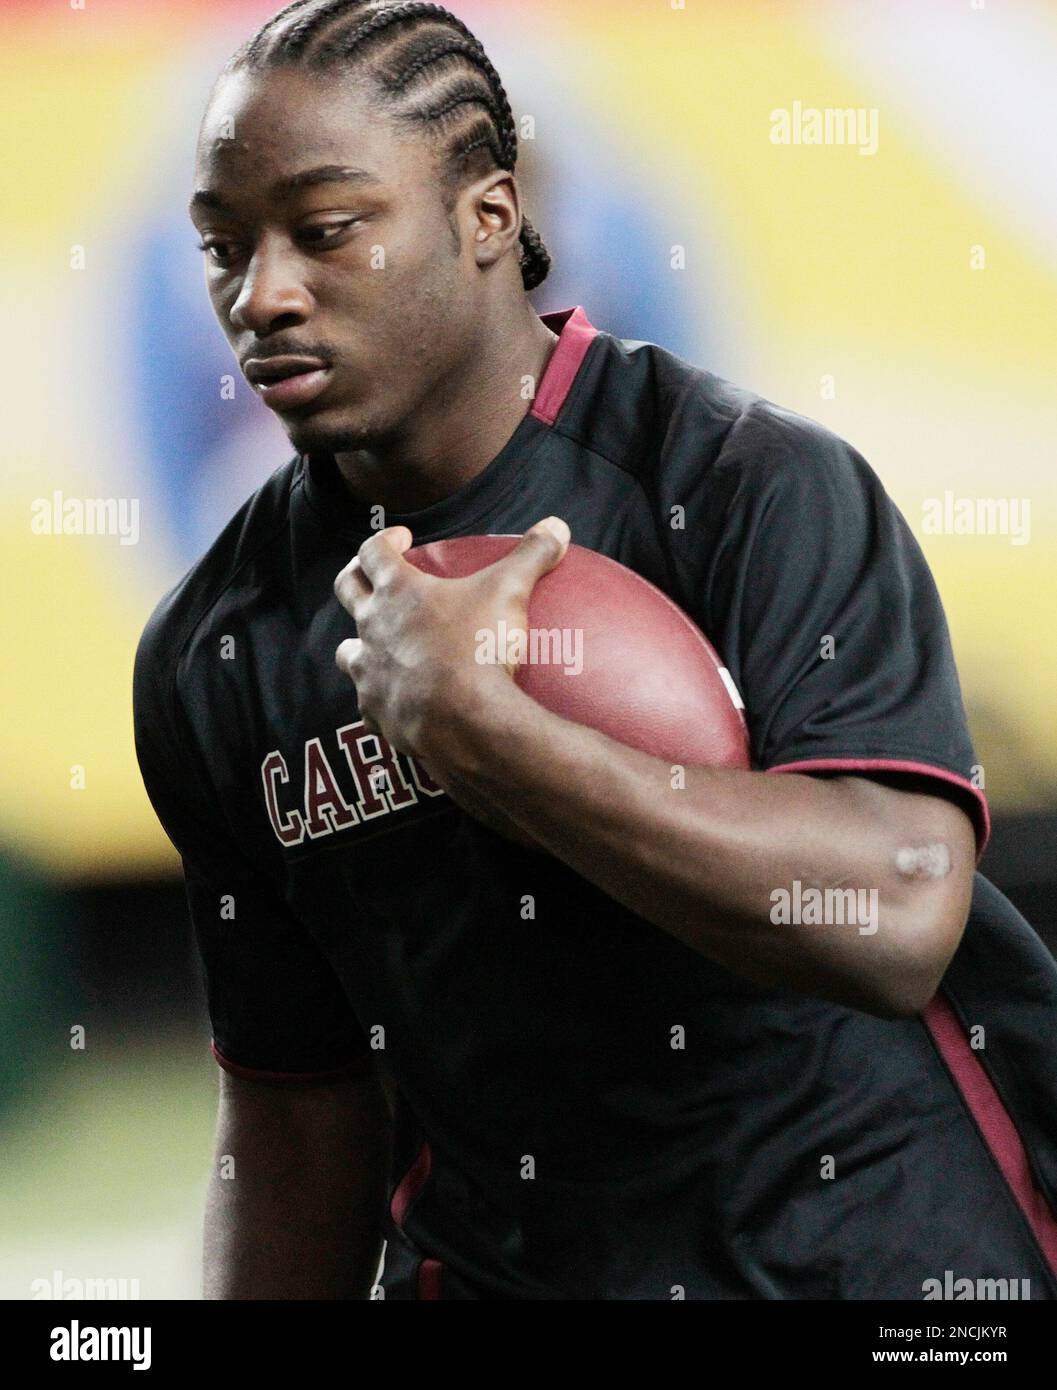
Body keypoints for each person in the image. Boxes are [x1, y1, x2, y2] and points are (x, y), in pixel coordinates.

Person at [133, 0, 1057, 1299]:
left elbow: (892, 912)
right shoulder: (213, 649)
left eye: (327, 231)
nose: (262, 292)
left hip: (873, 1264)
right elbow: (298, 1113)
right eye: (223, 246)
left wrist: (494, 741)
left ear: (488, 218)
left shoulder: (747, 486)